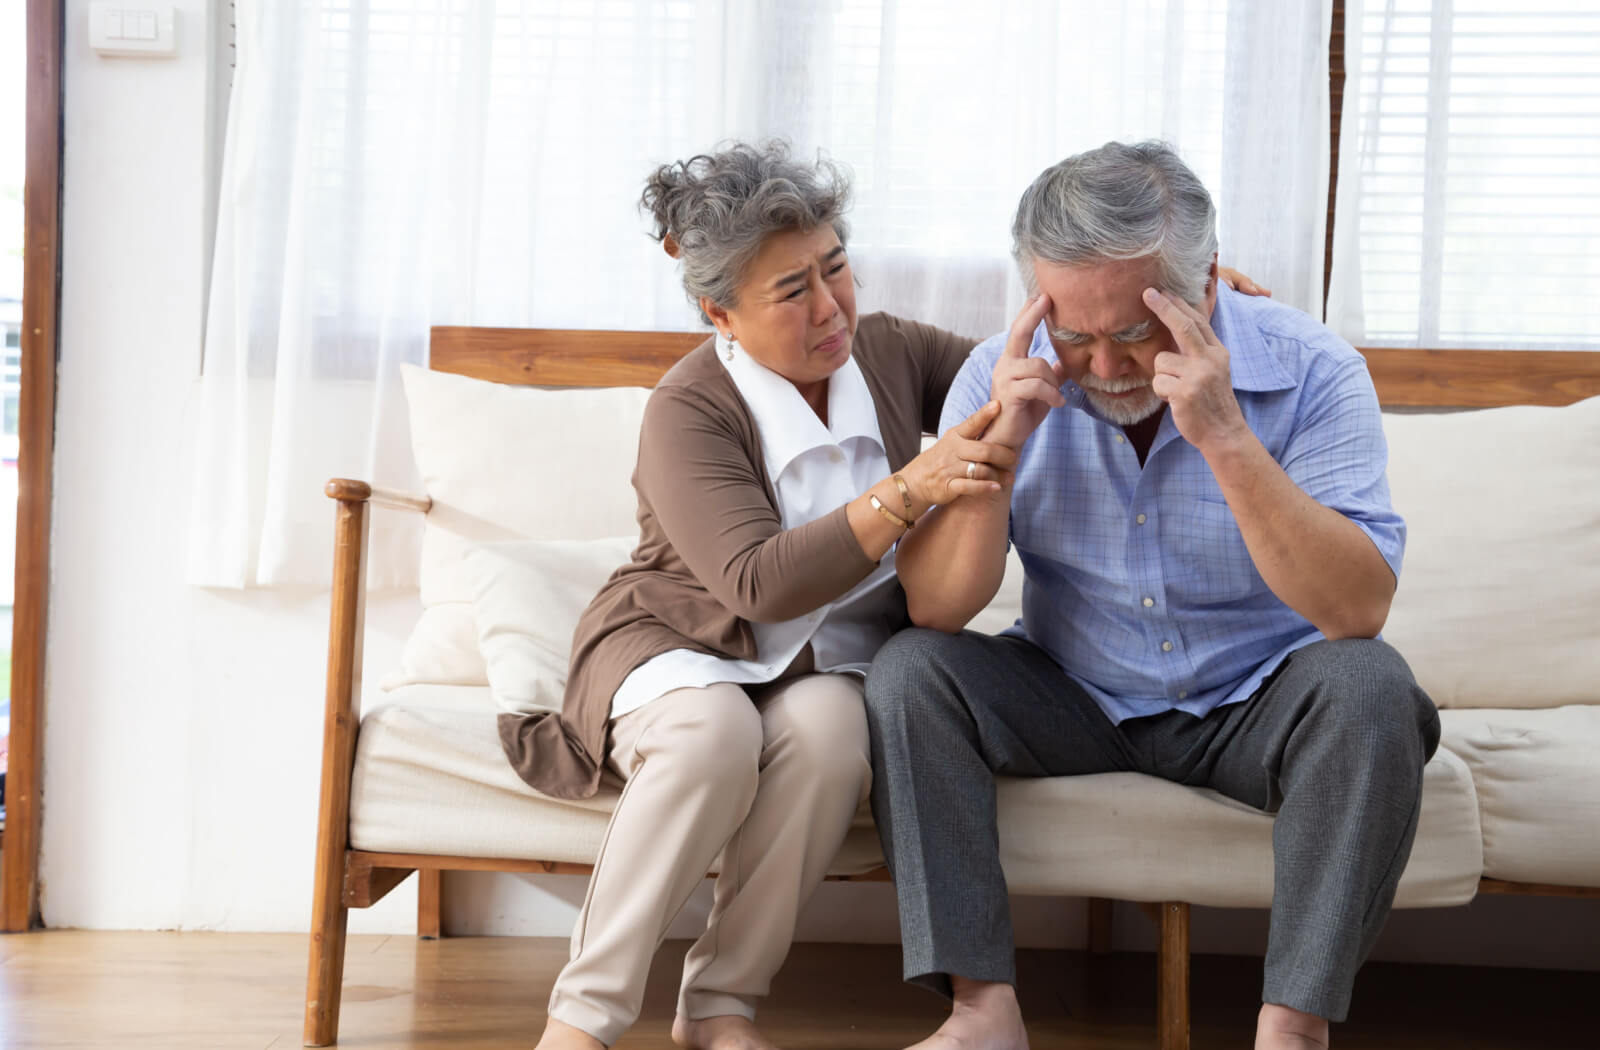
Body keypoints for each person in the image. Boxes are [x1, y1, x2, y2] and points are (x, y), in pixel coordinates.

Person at [865, 140, 1440, 1050]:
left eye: (1134, 331)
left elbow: (1356, 611)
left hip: (1259, 700)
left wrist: (1227, 440)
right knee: (911, 671)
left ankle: (1291, 1029)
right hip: (1071, 689)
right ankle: (982, 1014)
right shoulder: (998, 376)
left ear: (1204, 286)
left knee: (1373, 686)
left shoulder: (1317, 371)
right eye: (1073, 334)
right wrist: (1001, 450)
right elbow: (937, 608)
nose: (1103, 366)